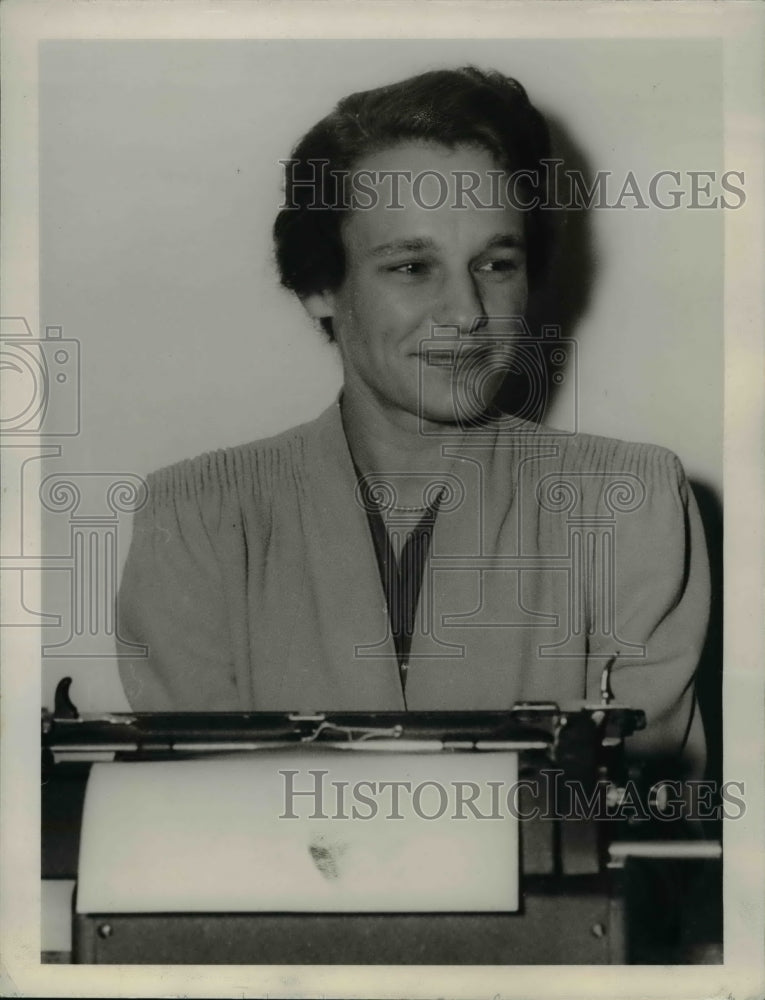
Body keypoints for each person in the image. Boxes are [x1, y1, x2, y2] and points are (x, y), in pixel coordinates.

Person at [117, 67, 709, 775]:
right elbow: (205, 830)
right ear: (318, 285)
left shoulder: (629, 506)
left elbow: (629, 825)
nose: (465, 312)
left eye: (494, 262)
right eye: (410, 267)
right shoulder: (199, 521)